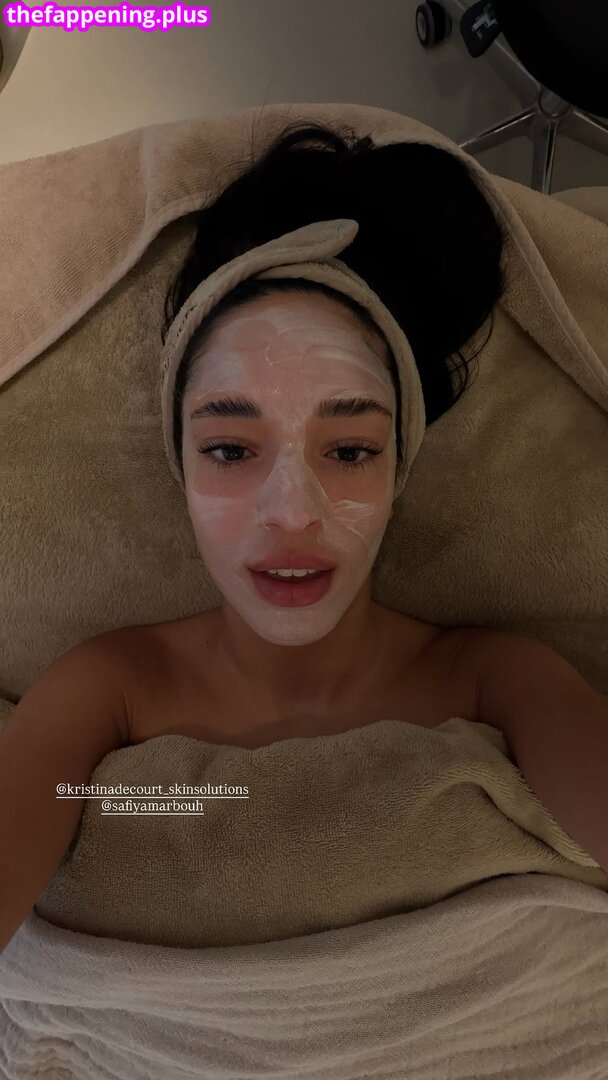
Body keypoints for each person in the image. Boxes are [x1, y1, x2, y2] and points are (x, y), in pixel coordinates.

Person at [122, 120, 509, 748]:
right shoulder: (110, 691)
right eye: (230, 450)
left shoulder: (495, 683)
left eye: (350, 451)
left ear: (399, 463)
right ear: (180, 462)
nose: (293, 513)